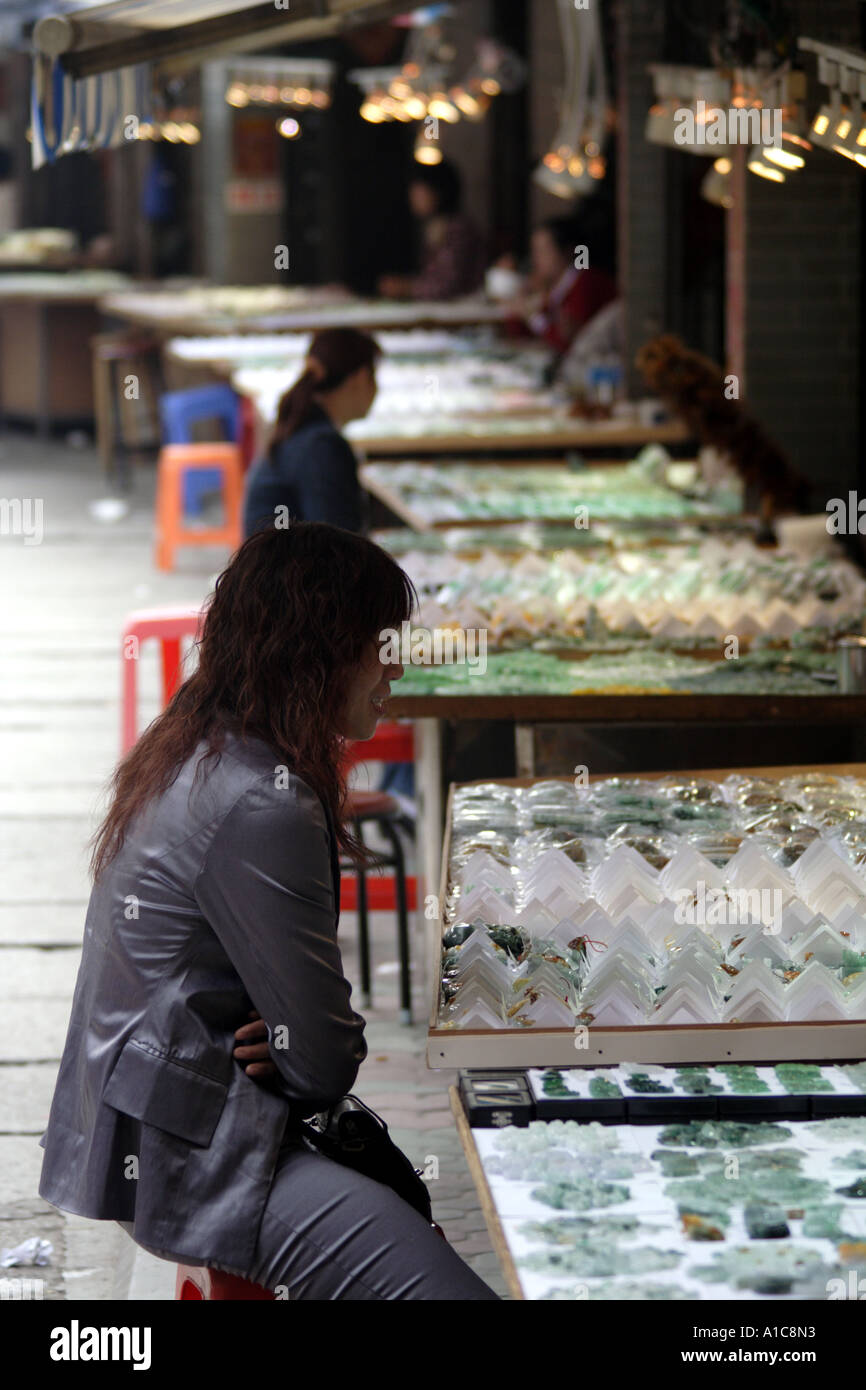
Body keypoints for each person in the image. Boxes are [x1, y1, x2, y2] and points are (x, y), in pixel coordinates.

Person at [37, 524, 499, 1301]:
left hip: (156, 1117)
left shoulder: (204, 738)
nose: (396, 665)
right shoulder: (261, 802)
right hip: (195, 1149)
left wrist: (276, 1022)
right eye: (381, 643)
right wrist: (295, 1030)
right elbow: (320, 1062)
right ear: (319, 649)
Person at [243, 329, 380, 538]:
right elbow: (339, 547)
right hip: (284, 568)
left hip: (271, 566)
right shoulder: (322, 446)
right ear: (360, 378)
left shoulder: (305, 431)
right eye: (374, 377)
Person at [378, 157, 486, 301]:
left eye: (419, 190)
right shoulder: (434, 228)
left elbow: (448, 286)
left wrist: (406, 287)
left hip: (465, 312)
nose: (413, 196)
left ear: (438, 192)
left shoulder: (458, 229)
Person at [507, 216, 617, 355]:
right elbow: (522, 334)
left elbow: (565, 344)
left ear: (567, 251)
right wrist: (520, 301)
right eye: (535, 251)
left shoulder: (585, 281)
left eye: (543, 251)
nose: (536, 259)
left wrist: (532, 316)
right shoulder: (558, 285)